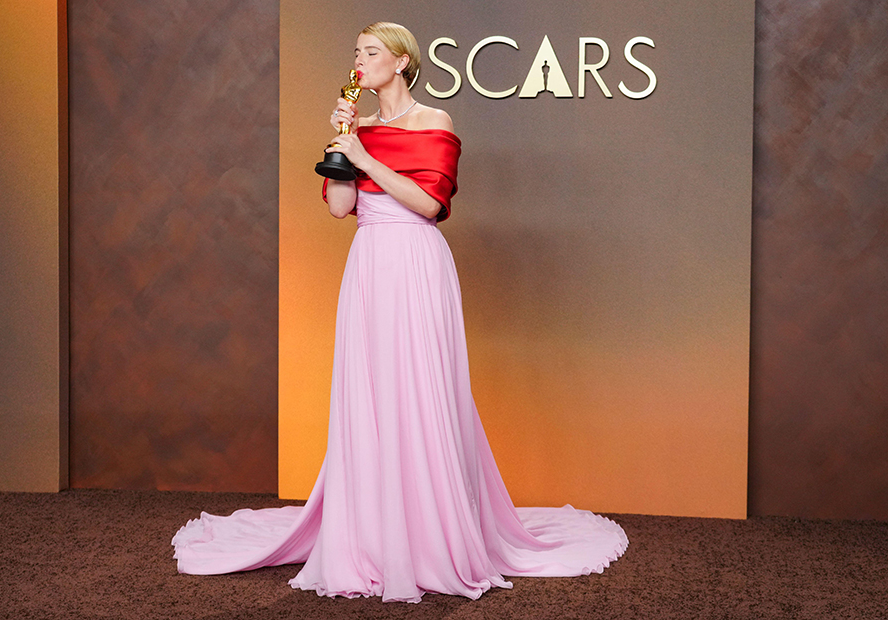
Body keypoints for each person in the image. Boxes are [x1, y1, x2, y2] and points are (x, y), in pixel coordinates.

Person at [172, 22, 628, 603]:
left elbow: (430, 204)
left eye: (371, 52)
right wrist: (341, 143)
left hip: (416, 259)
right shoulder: (355, 127)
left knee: (421, 387)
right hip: (368, 262)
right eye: (356, 52)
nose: (359, 61)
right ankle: (369, 536)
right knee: (369, 392)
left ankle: (429, 536)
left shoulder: (434, 122)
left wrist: (364, 153)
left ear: (402, 62)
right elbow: (340, 209)